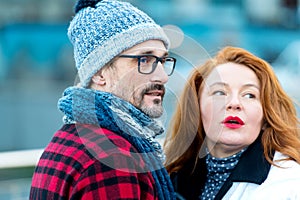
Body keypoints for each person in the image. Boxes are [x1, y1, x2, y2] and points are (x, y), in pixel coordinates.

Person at [30, 0, 176, 199]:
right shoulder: (113, 158)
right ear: (100, 73)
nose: (162, 76)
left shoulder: (68, 137)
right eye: (144, 60)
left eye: (162, 60)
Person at [163, 46, 300, 200]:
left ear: (266, 116)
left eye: (249, 95)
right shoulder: (168, 179)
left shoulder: (290, 186)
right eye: (219, 93)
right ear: (196, 110)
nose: (234, 103)